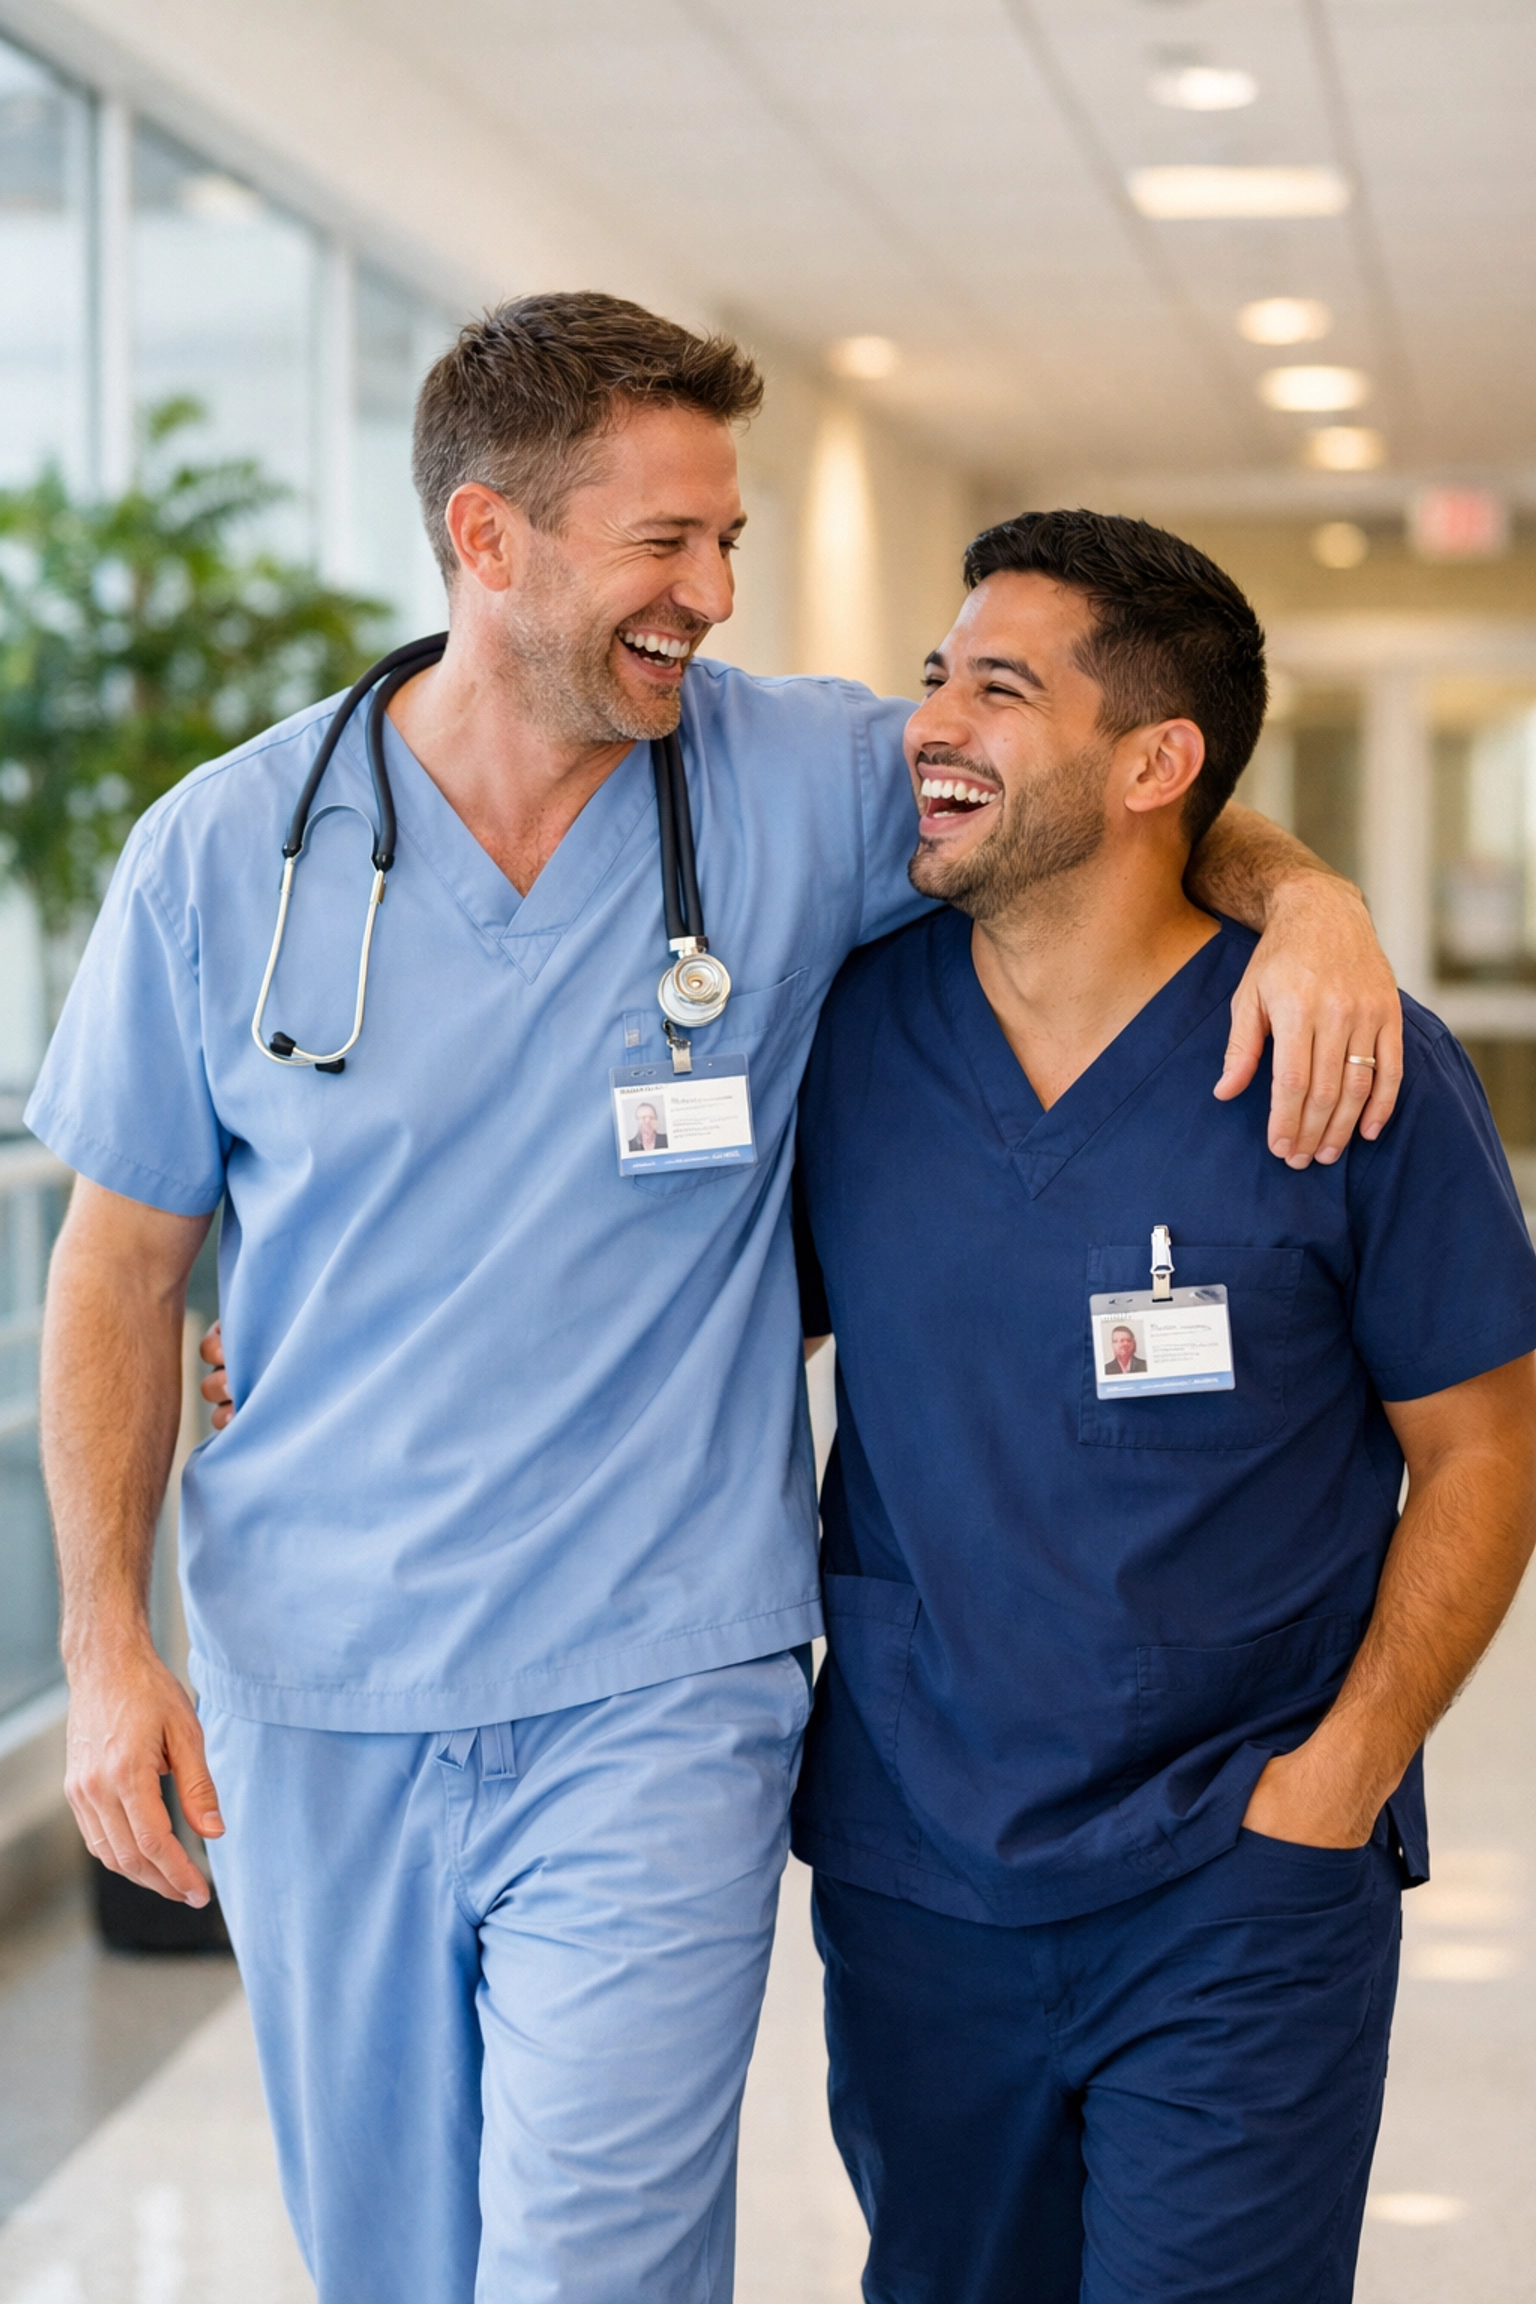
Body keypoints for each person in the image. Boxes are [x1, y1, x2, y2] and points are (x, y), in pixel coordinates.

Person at [31, 294, 1401, 2304]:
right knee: (395, 2264)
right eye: (664, 544)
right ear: (489, 542)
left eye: (732, 541)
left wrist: (1318, 906)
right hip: (320, 1686)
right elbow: (121, 1265)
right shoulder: (227, 854)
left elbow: (1092, 785)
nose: (714, 594)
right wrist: (103, 1649)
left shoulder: (794, 781)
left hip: (660, 1676)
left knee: (597, 2263)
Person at [790, 508, 1536, 2304]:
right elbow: (665, 1330)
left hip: (1239, 1871)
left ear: (1155, 762)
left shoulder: (1346, 1056)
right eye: (932, 678)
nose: (933, 725)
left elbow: (1487, 1447)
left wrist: (1338, 1780)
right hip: (924, 1863)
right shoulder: (849, 1042)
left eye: (998, 687)